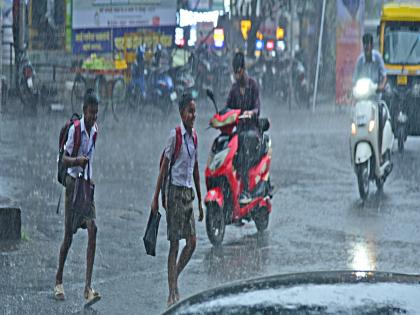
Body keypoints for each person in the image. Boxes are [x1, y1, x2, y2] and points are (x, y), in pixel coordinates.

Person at [151, 93, 204, 307]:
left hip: (188, 194)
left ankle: (174, 279)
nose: (193, 115)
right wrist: (156, 197)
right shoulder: (175, 136)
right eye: (190, 111)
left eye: (194, 111)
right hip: (173, 193)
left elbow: (196, 169)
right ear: (182, 113)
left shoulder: (195, 137)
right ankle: (172, 292)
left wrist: (200, 200)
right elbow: (164, 168)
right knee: (174, 244)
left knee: (191, 242)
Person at [54, 89, 100, 307]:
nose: (93, 118)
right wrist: (77, 162)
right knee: (68, 237)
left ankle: (87, 287)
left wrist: (89, 177)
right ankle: (58, 280)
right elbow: (64, 159)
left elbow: (90, 158)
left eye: (96, 114)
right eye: (91, 113)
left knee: (93, 229)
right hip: (73, 185)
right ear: (84, 111)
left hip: (86, 187)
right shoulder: (75, 130)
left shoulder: (95, 131)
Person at [225, 51, 261, 204]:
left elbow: (257, 108)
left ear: (243, 70)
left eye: (238, 72)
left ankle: (245, 190)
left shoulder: (253, 85)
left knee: (244, 144)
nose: (237, 75)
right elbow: (227, 109)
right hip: (238, 131)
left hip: (252, 131)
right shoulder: (233, 90)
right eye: (235, 72)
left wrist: (251, 113)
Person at [353, 33, 388, 163]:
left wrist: (381, 86)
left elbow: (384, 76)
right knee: (356, 121)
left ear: (372, 46)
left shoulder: (378, 58)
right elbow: (354, 80)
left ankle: (380, 150)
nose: (367, 48)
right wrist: (352, 91)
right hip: (363, 100)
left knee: (379, 123)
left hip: (375, 99)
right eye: (365, 45)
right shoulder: (360, 61)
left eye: (368, 45)